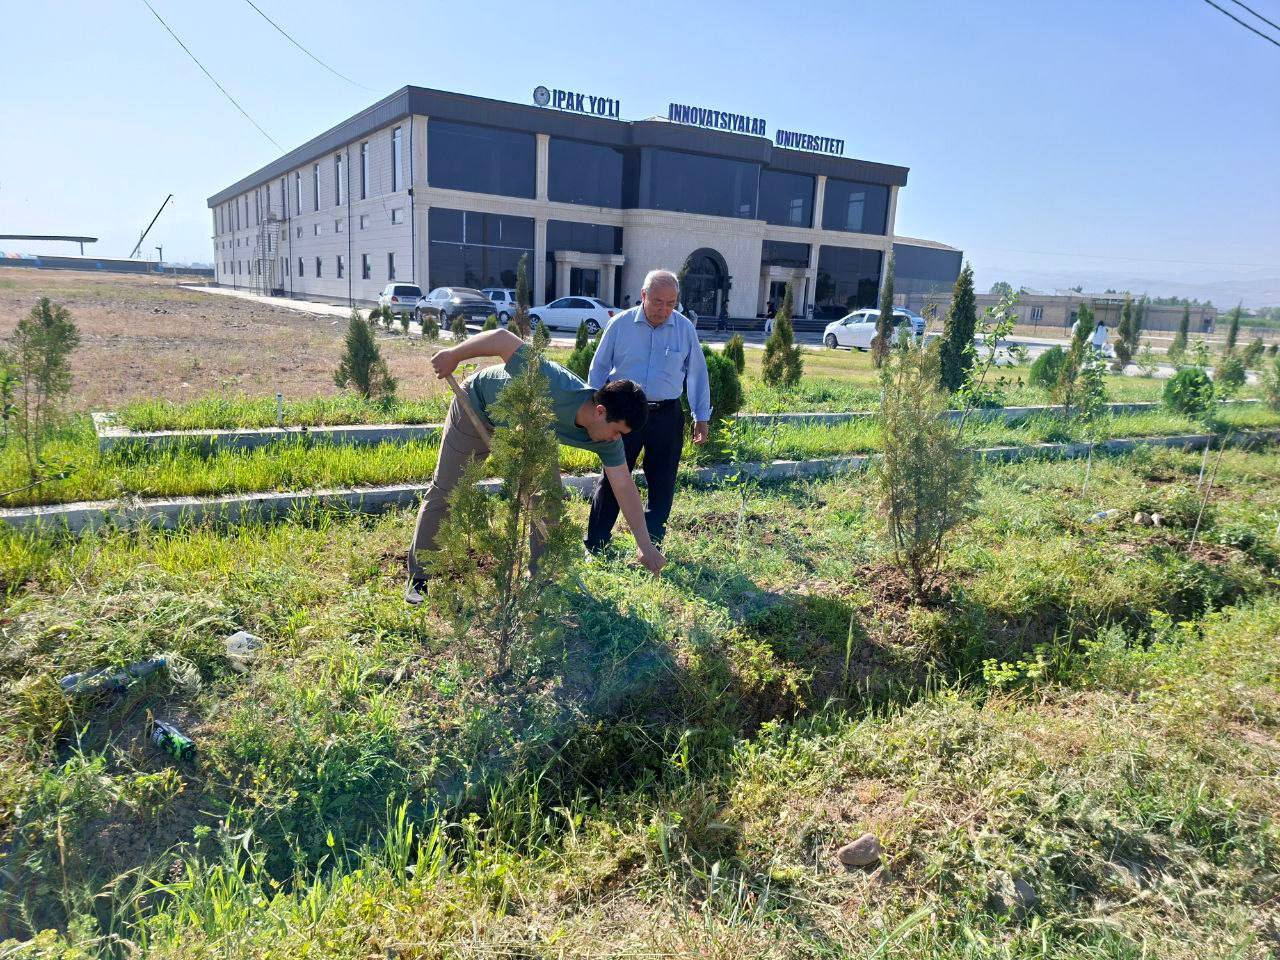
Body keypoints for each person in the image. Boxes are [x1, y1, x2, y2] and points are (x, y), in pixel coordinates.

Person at [405, 328, 665, 604]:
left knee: (548, 498)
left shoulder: (606, 439)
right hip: (478, 406)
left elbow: (624, 486)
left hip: (526, 432)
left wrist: (645, 547)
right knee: (448, 489)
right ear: (600, 411)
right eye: (617, 432)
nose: (617, 440)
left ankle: (540, 579)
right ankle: (419, 578)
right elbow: (502, 339)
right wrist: (453, 355)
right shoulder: (553, 382)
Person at [584, 269, 712, 554]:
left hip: (666, 415)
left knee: (663, 481)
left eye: (671, 303)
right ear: (643, 296)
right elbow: (599, 368)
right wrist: (592, 409)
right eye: (657, 301)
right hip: (624, 414)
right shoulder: (620, 325)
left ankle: (651, 546)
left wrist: (700, 416)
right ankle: (597, 545)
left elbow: (696, 375)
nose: (664, 309)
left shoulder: (684, 328)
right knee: (614, 479)